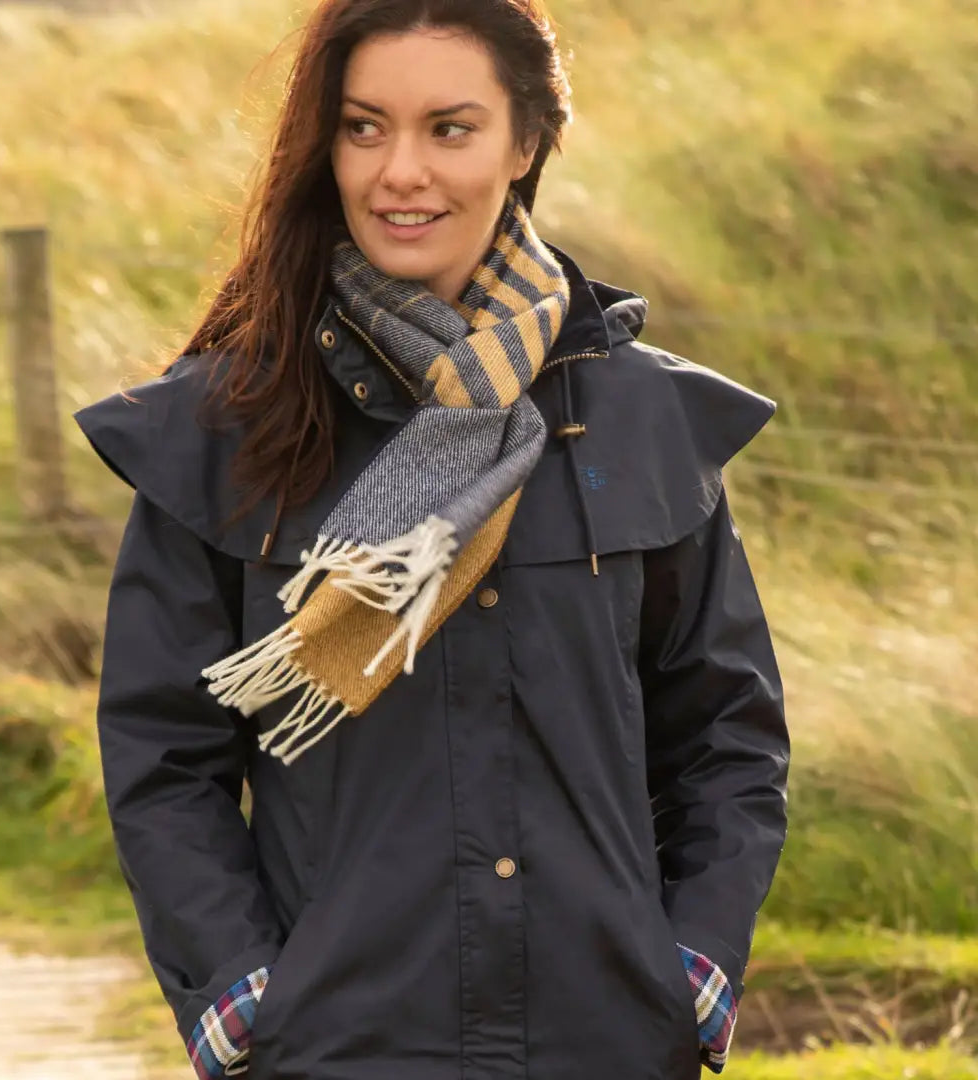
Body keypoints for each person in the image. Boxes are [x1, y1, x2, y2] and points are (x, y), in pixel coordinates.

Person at [75, 1, 789, 1077]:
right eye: (364, 128)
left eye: (448, 128)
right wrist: (240, 995)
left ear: (528, 139)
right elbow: (162, 753)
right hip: (338, 1044)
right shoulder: (233, 421)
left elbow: (726, 739)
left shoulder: (638, 419)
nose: (399, 171)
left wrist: (691, 971)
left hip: (607, 1039)